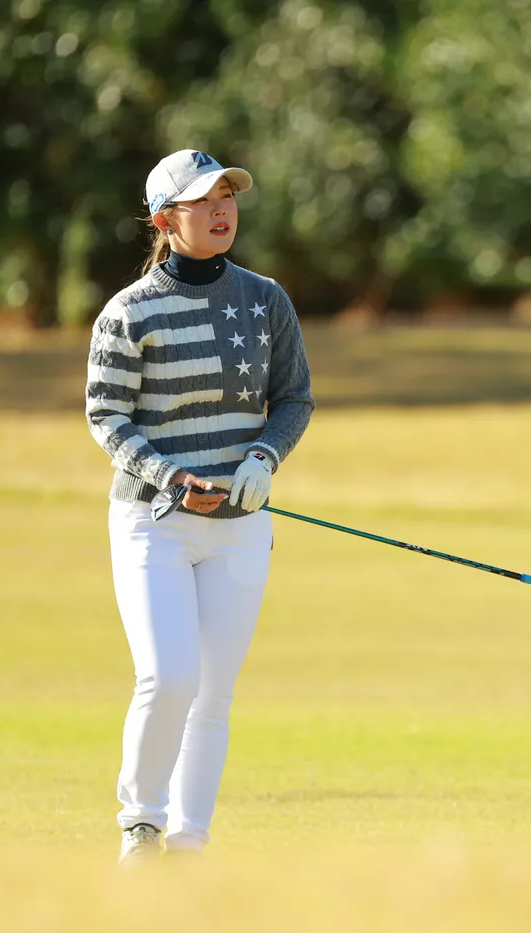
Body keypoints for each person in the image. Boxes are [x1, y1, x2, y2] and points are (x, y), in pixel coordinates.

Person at [84, 149, 315, 863]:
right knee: (170, 676)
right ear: (165, 219)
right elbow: (106, 415)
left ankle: (188, 846)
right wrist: (171, 477)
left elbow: (294, 398)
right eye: (203, 201)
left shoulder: (265, 298)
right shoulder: (129, 312)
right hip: (153, 523)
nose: (221, 210)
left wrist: (263, 458)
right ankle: (140, 826)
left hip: (240, 526)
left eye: (228, 197)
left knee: (212, 694)